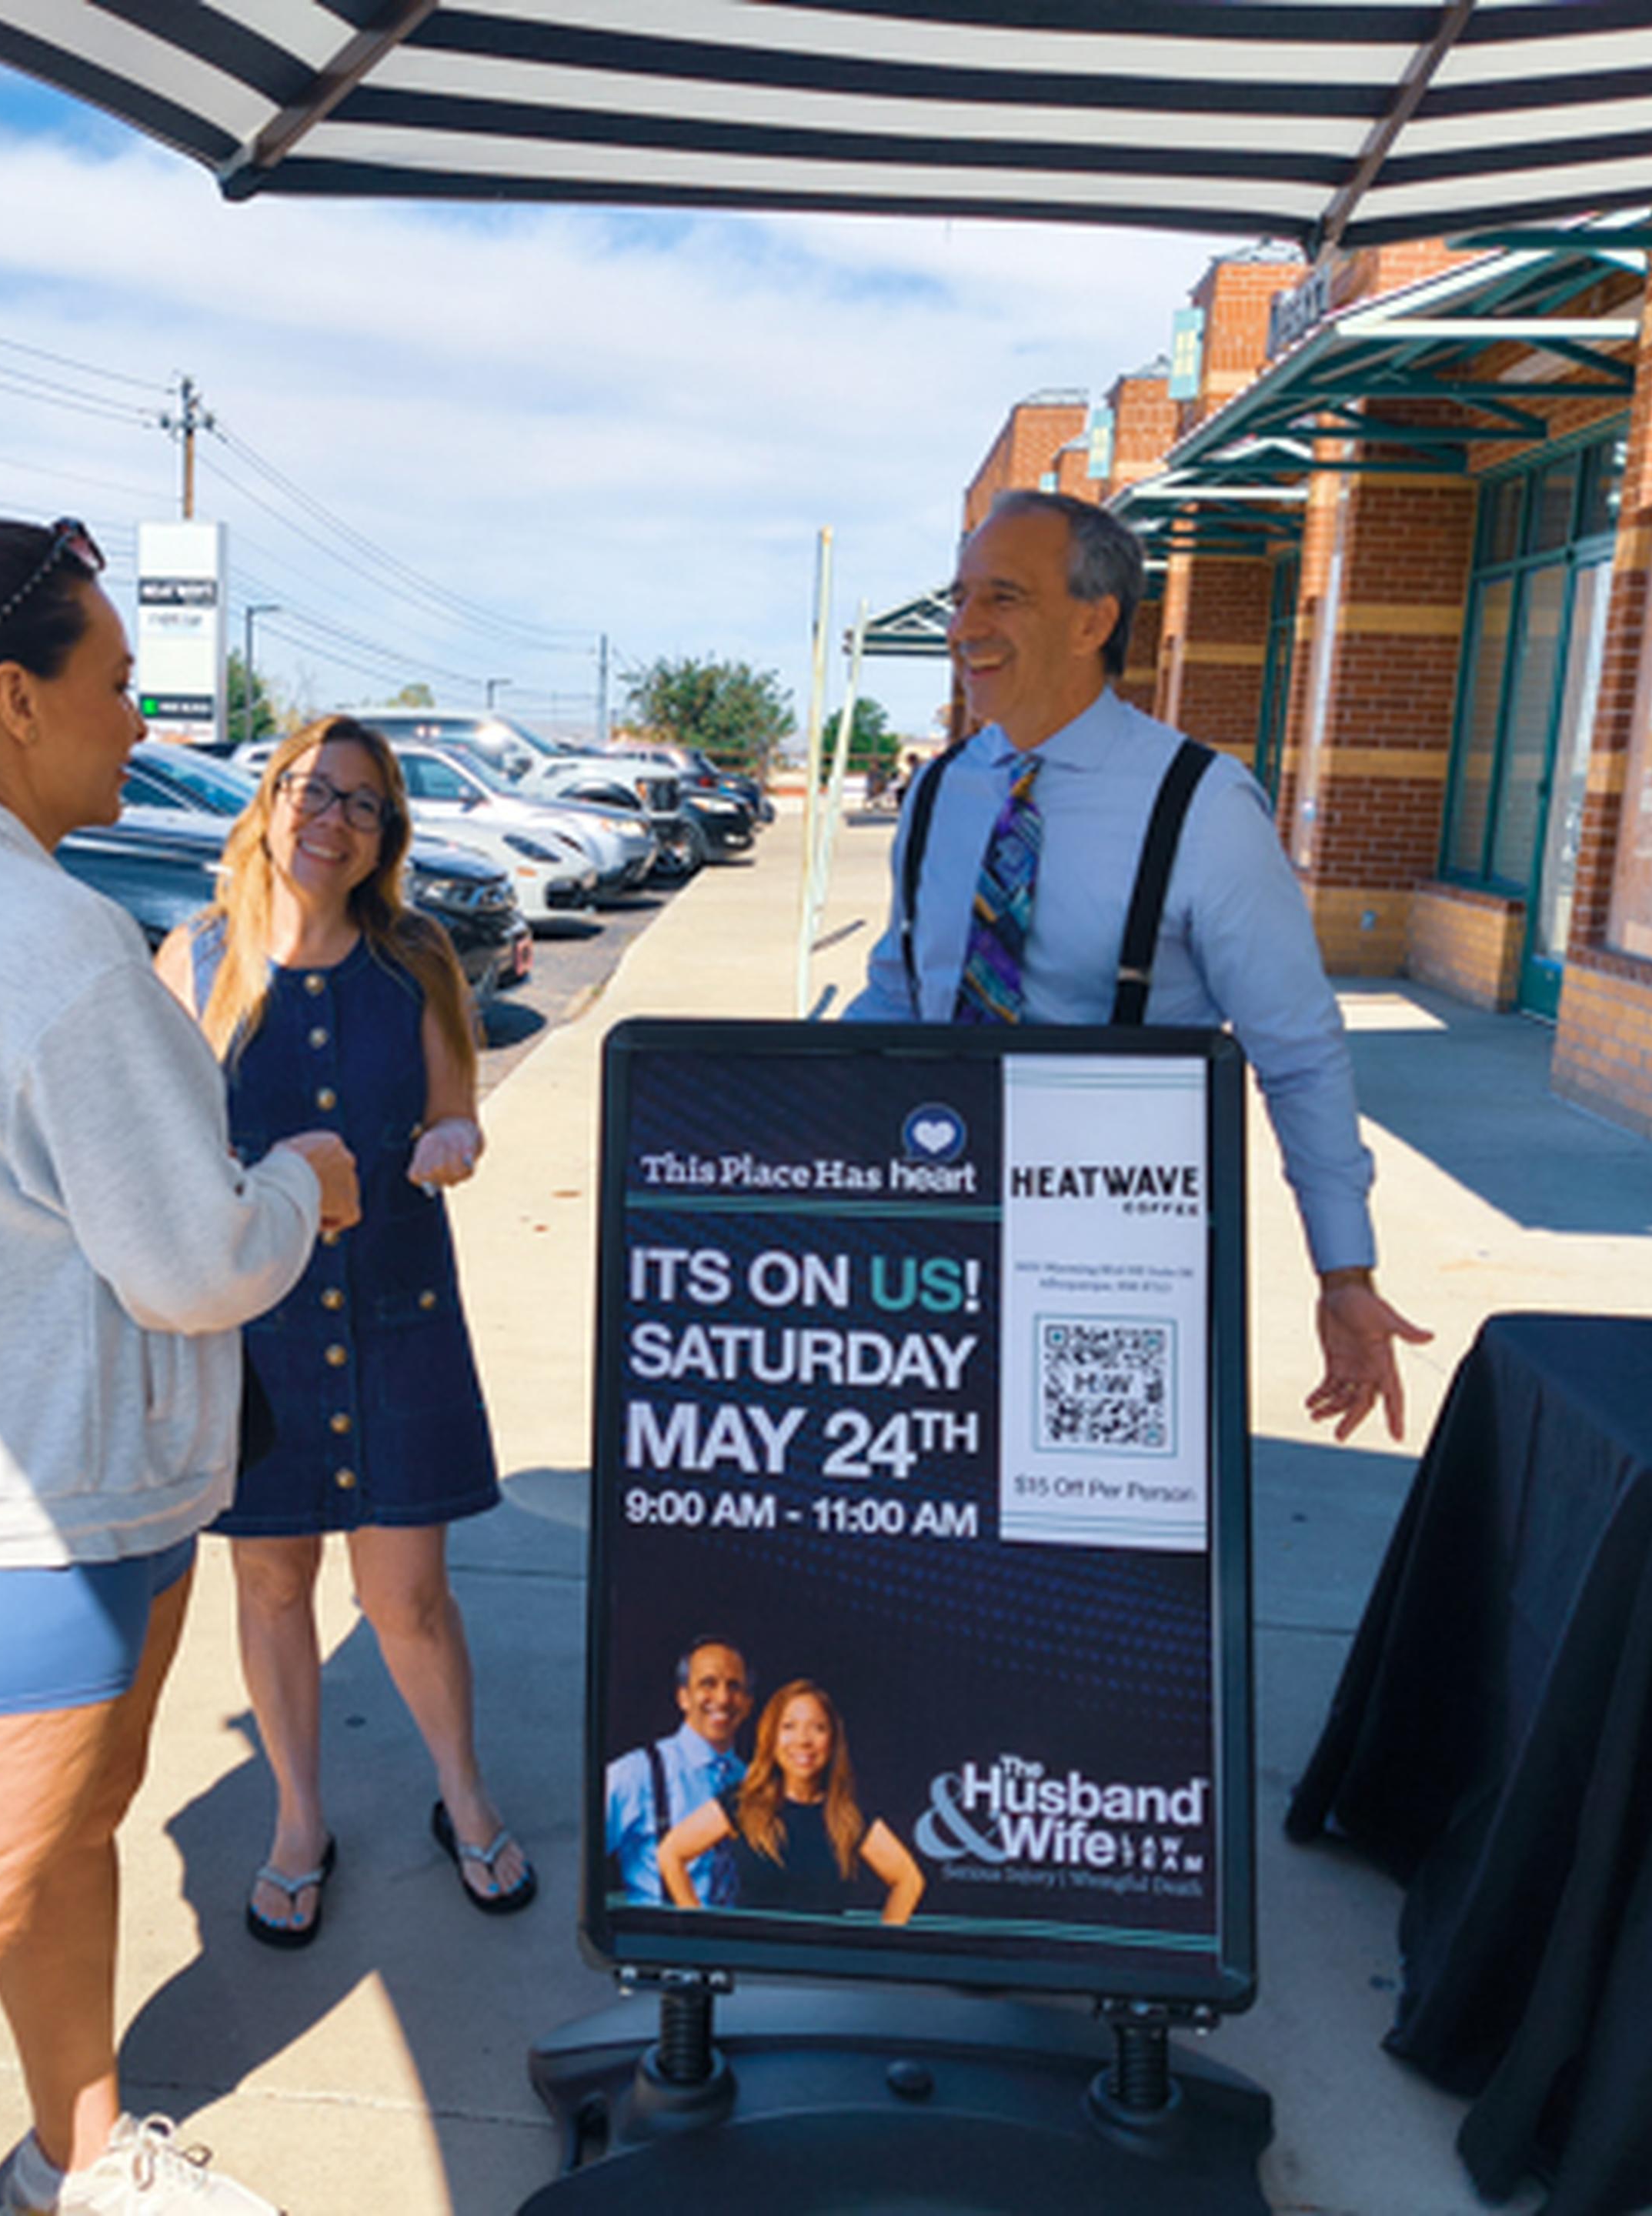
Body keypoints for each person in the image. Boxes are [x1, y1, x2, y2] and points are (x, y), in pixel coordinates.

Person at [0, 516, 359, 2216]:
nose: (143, 724)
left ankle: (78, 2159)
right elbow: (193, 1264)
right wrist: (300, 1185)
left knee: (68, 1837)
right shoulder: (52, 947)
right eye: (115, 686)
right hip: (26, 1510)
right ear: (15, 701)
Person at [846, 489, 1431, 1443]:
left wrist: (1345, 1273)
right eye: (961, 599)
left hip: (1116, 1252)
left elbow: (1297, 1049)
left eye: (1003, 598)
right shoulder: (942, 791)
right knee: (934, 1488)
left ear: (1095, 620)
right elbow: (902, 993)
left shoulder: (1200, 805)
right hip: (939, 1224)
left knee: (1095, 1513)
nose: (966, 628)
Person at [156, 716, 533, 1949]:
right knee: (272, 1581)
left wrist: (451, 1144)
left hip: (396, 1307)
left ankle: (464, 1798)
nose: (334, 819)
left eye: (364, 803)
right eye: (314, 792)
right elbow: (158, 1148)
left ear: (386, 835)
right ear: (269, 803)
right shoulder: (196, 959)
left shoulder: (413, 956)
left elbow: (455, 1113)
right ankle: (298, 1820)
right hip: (259, 1324)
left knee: (408, 1592)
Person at [654, 1680, 924, 1923]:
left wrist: (878, 1952)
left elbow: (908, 1880)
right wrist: (697, 1929)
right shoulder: (744, 1802)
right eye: (789, 1727)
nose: (803, 1740)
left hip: (823, 1971)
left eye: (817, 1728)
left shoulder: (848, 1815)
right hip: (751, 1968)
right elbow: (671, 1852)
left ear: (832, 1741)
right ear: (772, 1737)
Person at [599, 1638, 753, 1904]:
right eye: (708, 1684)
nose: (723, 1698)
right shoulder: (638, 1773)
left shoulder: (753, 1781)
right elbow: (577, 1857)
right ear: (683, 1697)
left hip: (737, 1942)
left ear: (748, 1702)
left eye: (734, 1686)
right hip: (656, 1941)